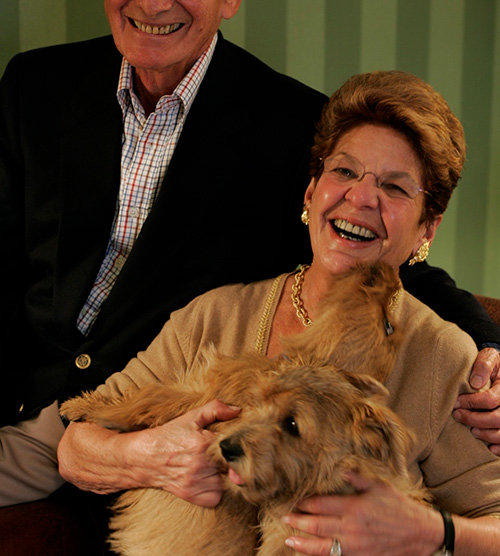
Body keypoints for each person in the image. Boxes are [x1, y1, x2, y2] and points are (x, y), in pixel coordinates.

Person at [0, 0, 499, 509]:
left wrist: (488, 346)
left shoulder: (294, 125)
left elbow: (378, 255)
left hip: (157, 418)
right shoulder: (36, 86)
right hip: (28, 396)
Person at [59, 70, 500, 555]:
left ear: (426, 231)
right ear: (311, 194)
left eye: (396, 188)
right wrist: (147, 456)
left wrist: (428, 531)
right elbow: (77, 447)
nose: (362, 197)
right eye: (345, 172)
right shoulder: (215, 316)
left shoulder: (444, 357)